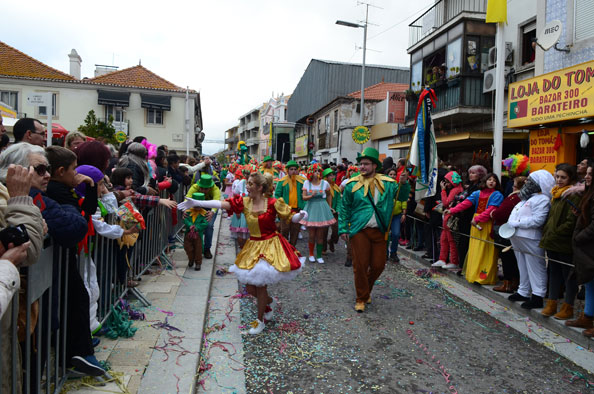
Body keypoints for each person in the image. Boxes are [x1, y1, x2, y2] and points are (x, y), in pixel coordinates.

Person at [178, 172, 307, 334]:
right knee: (250, 289)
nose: (248, 187)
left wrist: (301, 216)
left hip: (270, 246)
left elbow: (290, 217)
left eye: (251, 184)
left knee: (260, 286)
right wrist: (197, 202)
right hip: (252, 246)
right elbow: (221, 204)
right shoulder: (245, 202)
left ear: (260, 187)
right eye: (247, 183)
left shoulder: (274, 202)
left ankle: (260, 321)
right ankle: (269, 301)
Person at [45, 145, 106, 376]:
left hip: (69, 256)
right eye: (73, 169)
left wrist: (89, 187)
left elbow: (87, 210)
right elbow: (76, 223)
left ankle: (78, 352)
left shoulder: (64, 189)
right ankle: (74, 355)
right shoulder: (56, 190)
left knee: (79, 297)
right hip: (59, 259)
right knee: (72, 301)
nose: (76, 174)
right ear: (61, 171)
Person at [339, 147, 398, 312]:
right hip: (360, 231)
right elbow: (344, 208)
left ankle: (366, 290)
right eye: (361, 164)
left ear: (374, 166)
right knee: (361, 265)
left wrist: (405, 182)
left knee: (379, 265)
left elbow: (400, 195)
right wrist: (343, 228)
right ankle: (361, 298)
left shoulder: (388, 183)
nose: (362, 167)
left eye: (366, 164)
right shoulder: (352, 185)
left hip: (379, 230)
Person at [507, 170, 555, 309]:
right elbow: (514, 213)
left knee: (535, 267)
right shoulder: (526, 199)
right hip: (517, 237)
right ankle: (523, 291)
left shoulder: (543, 199)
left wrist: (517, 223)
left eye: (529, 180)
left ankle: (538, 295)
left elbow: (537, 220)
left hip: (531, 238)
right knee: (522, 265)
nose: (526, 182)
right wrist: (511, 223)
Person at [539, 163, 580, 318]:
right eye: (557, 176)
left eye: (563, 177)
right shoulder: (555, 194)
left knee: (568, 276)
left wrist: (555, 232)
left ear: (570, 178)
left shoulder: (573, 195)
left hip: (563, 242)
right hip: (552, 240)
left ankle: (568, 306)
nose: (559, 180)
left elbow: (571, 222)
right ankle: (552, 303)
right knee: (554, 273)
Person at [447, 173, 503, 285]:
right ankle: (474, 273)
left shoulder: (497, 195)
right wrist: (452, 210)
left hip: (487, 224)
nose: (491, 182)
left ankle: (483, 277)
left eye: (494, 180)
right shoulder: (477, 193)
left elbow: (491, 210)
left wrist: (478, 219)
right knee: (475, 248)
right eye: (489, 179)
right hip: (476, 223)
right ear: (485, 181)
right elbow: (465, 203)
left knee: (486, 249)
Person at [566, 163, 594, 337]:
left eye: (591, 173)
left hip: (589, 244)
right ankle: (587, 316)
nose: (587, 176)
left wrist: (580, 237)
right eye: (587, 173)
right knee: (590, 283)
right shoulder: (588, 193)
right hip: (587, 245)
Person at [490, 176, 526, 293]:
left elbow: (501, 213)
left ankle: (508, 283)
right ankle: (515, 282)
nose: (512, 186)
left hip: (506, 231)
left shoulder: (514, 197)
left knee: (507, 258)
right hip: (514, 232)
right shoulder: (523, 197)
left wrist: (493, 213)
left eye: (514, 184)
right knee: (513, 259)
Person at [300, 163, 336, 264]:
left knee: (321, 234)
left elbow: (329, 195)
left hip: (321, 208)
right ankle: (311, 254)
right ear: (311, 173)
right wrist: (311, 196)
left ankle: (319, 255)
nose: (317, 173)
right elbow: (303, 197)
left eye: (318, 171)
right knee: (311, 234)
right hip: (311, 207)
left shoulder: (325, 183)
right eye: (315, 171)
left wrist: (329, 206)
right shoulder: (307, 183)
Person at [455, 165, 487, 267]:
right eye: (470, 173)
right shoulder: (470, 186)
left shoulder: (478, 187)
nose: (470, 175)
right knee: (463, 241)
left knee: (466, 242)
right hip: (464, 216)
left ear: (480, 175)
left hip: (471, 216)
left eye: (473, 173)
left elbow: (468, 202)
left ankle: (464, 265)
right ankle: (463, 264)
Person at [433, 171, 464, 269]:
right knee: (445, 240)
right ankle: (444, 259)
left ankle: (452, 261)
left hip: (450, 218)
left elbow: (446, 203)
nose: (446, 184)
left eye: (447, 182)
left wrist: (443, 190)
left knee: (449, 240)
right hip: (448, 217)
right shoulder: (457, 189)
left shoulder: (455, 190)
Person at [186, 174, 221, 259]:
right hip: (197, 207)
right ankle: (195, 247)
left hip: (211, 207)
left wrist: (212, 212)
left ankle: (207, 249)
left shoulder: (215, 190)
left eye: (206, 189)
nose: (203, 191)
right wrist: (185, 210)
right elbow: (187, 199)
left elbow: (216, 202)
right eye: (201, 188)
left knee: (209, 226)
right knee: (194, 225)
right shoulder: (194, 187)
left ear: (210, 187)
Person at [274, 160, 306, 247]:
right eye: (291, 169)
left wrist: (303, 206)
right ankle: (284, 249)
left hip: (297, 210)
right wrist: (281, 207)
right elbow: (277, 195)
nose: (293, 171)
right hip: (285, 211)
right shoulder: (282, 181)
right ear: (287, 170)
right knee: (284, 230)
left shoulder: (302, 181)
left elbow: (305, 195)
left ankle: (292, 249)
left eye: (295, 169)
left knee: (295, 231)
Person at [388, 168, 410, 263]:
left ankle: (393, 253)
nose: (392, 176)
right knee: (385, 235)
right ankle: (384, 253)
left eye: (394, 174)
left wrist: (404, 213)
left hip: (396, 215)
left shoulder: (399, 186)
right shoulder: (384, 186)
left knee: (396, 234)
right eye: (390, 174)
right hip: (386, 216)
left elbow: (403, 198)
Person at [183, 192, 208, 270]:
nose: (197, 207)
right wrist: (190, 225)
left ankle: (198, 263)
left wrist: (197, 227)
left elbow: (205, 223)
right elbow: (185, 219)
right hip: (188, 233)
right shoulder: (188, 211)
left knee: (198, 249)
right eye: (195, 204)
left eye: (199, 205)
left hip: (198, 234)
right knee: (187, 247)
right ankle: (191, 259)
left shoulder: (204, 213)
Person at [321, 168, 341, 255]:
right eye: (330, 175)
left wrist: (338, 210)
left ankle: (332, 241)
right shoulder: (322, 187)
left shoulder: (336, 187)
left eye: (333, 175)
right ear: (325, 177)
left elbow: (339, 200)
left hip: (334, 212)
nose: (332, 177)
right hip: (325, 212)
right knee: (324, 231)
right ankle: (323, 248)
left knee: (337, 230)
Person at [230, 167, 250, 248]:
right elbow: (235, 195)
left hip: (252, 212)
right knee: (241, 233)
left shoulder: (258, 184)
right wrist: (237, 209)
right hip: (241, 211)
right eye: (246, 173)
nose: (247, 176)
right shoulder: (242, 183)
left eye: (249, 174)